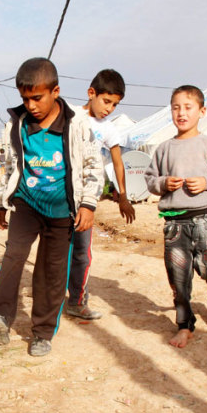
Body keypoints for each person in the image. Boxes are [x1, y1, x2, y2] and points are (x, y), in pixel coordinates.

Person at [0, 57, 103, 357]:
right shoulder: (18, 124)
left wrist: (88, 205)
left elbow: (93, 166)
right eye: (25, 99)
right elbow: (12, 166)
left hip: (62, 211)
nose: (31, 105)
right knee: (13, 255)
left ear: (55, 92)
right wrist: (1, 201)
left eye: (37, 98)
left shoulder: (77, 123)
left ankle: (42, 332)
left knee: (51, 271)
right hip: (26, 203)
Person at [144, 85, 207, 348]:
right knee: (178, 277)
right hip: (175, 224)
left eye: (188, 107)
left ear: (202, 111)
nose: (181, 113)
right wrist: (164, 183)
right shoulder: (164, 149)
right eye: (176, 108)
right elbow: (150, 180)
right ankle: (185, 326)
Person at [67, 69, 136, 320]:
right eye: (106, 101)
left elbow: (118, 162)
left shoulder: (107, 129)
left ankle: (76, 302)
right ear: (91, 93)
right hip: (61, 194)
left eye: (115, 104)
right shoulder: (70, 115)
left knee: (82, 253)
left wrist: (123, 196)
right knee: (56, 252)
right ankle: (49, 304)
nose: (109, 109)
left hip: (86, 200)